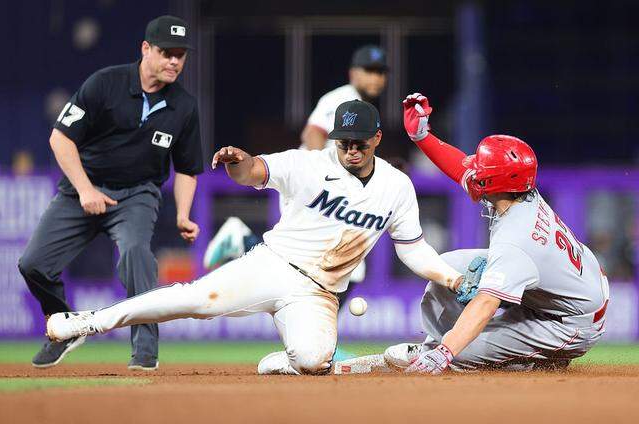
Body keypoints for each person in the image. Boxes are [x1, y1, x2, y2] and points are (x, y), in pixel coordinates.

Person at [45, 100, 478, 376]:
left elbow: (412, 248)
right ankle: (89, 322)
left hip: (319, 293)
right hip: (272, 264)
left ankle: (282, 361)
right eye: (343, 140)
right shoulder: (309, 163)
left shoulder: (396, 186)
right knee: (193, 300)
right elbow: (255, 171)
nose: (350, 149)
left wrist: (451, 278)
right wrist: (238, 161)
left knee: (312, 361)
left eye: (359, 143)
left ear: (377, 140)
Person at [18, 15, 203, 371]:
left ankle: (145, 353)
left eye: (181, 55)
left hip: (137, 194)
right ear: (146, 49)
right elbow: (60, 138)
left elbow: (187, 168)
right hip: (81, 190)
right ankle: (65, 325)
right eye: (167, 53)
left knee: (136, 255)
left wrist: (182, 214)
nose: (174, 62)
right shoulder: (106, 83)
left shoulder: (184, 106)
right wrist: (86, 189)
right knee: (33, 264)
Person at [382, 93, 609, 374]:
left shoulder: (516, 239)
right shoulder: (518, 191)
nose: (474, 170)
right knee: (449, 266)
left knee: (460, 355)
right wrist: (422, 136)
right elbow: (459, 167)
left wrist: (446, 352)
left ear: (497, 181)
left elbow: (488, 302)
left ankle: (526, 360)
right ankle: (441, 343)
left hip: (569, 323)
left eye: (482, 169)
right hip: (564, 289)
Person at [203, 45, 389, 278]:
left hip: (326, 193)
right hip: (313, 189)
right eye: (369, 70)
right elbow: (313, 133)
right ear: (353, 73)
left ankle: (243, 240)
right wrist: (320, 178)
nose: (376, 77)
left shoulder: (360, 105)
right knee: (330, 271)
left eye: (380, 72)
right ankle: (242, 241)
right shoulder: (344, 98)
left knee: (330, 271)